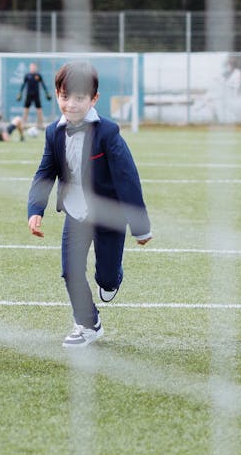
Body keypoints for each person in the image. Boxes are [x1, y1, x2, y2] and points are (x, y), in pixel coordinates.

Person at [27, 61, 152, 348]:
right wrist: (35, 210)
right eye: (64, 96)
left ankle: (111, 279)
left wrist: (140, 227)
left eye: (80, 98)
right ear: (57, 95)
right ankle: (88, 324)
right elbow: (45, 172)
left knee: (106, 278)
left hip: (110, 214)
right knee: (70, 270)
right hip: (76, 211)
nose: (71, 104)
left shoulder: (108, 132)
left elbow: (127, 177)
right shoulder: (53, 132)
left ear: (93, 99)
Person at [18, 62, 53, 130]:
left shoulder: (38, 75)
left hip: (36, 95)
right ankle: (23, 125)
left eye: (34, 67)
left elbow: (43, 84)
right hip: (29, 95)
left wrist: (47, 93)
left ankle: (40, 125)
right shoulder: (27, 75)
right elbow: (23, 84)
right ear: (30, 67)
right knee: (26, 109)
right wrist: (20, 93)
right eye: (31, 67)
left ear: (36, 68)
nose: (33, 68)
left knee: (39, 110)